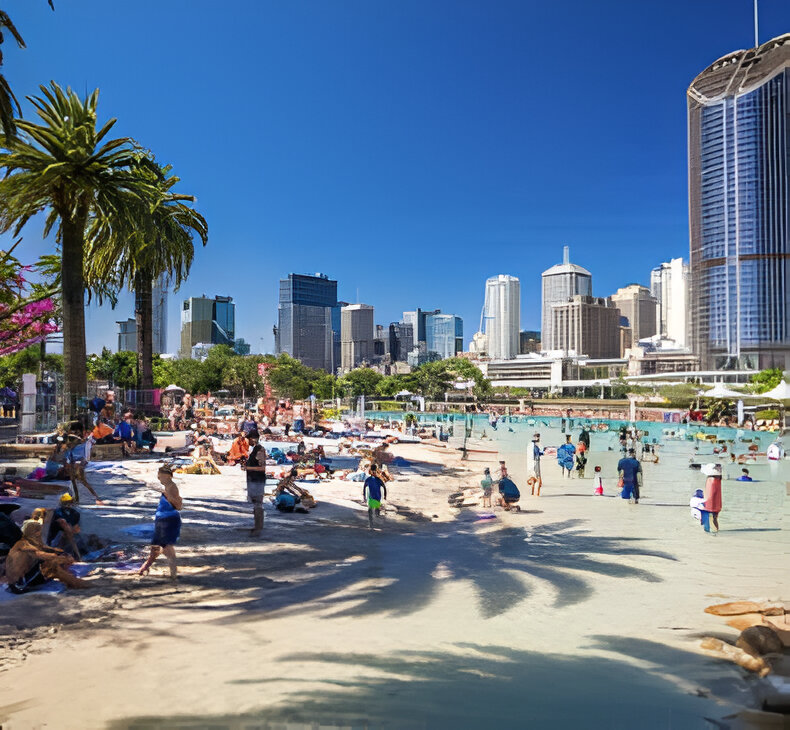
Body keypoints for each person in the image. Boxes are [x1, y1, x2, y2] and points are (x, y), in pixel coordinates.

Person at [5, 519, 88, 594]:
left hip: (19, 581)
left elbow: (44, 548)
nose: (40, 533)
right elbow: (40, 554)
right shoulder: (23, 544)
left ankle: (73, 581)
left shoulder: (27, 542)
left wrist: (59, 552)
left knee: (53, 562)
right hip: (19, 585)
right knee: (52, 565)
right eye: (38, 531)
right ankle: (75, 583)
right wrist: (60, 558)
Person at [138, 465, 183, 580]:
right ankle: (144, 567)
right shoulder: (167, 487)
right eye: (158, 476)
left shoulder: (172, 487)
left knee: (167, 547)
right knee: (155, 547)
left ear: (168, 476)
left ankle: (174, 575)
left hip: (168, 520)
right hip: (161, 520)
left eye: (160, 476)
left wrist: (167, 495)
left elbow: (178, 506)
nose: (159, 479)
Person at [242, 430, 267, 536]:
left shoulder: (260, 450)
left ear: (253, 439)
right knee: (256, 504)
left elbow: (262, 468)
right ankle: (257, 526)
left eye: (249, 439)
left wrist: (248, 468)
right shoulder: (255, 450)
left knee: (258, 505)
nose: (248, 441)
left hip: (258, 481)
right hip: (253, 481)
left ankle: (258, 528)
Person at [47, 493, 82, 558]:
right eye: (65, 503)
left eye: (69, 503)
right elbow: (63, 526)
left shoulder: (75, 514)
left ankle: (77, 554)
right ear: (62, 503)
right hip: (57, 539)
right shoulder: (57, 513)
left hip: (71, 539)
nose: (68, 505)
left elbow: (76, 528)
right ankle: (77, 554)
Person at [363, 464, 387, 529]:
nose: (373, 472)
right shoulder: (377, 480)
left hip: (374, 497)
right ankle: (372, 523)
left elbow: (364, 488)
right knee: (372, 510)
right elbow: (384, 487)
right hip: (375, 497)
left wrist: (364, 496)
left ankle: (373, 523)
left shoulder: (369, 480)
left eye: (374, 471)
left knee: (373, 511)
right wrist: (385, 495)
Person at [701, 463, 722, 533]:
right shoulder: (717, 479)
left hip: (710, 504)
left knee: (710, 516)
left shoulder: (711, 480)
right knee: (714, 517)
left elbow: (709, 493)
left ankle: (711, 531)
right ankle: (715, 531)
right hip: (715, 504)